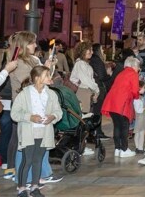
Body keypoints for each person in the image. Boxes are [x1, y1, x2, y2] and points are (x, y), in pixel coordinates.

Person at [11, 65, 63, 197]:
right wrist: (30, 117)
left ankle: (35, 186)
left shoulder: (51, 94)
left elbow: (58, 111)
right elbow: (14, 114)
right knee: (27, 160)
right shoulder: (25, 94)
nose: (49, 78)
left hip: (43, 132)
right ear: (36, 78)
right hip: (29, 132)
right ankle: (22, 188)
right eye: (46, 75)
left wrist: (52, 117)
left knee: (38, 159)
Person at [101, 56, 142, 158]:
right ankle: (124, 149)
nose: (138, 69)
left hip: (112, 103)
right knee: (124, 126)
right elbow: (135, 91)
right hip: (122, 104)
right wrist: (137, 96)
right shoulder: (133, 73)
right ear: (134, 65)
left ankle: (117, 149)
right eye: (138, 66)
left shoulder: (121, 73)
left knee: (117, 126)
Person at [70, 41, 100, 117]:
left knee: (85, 116)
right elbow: (86, 80)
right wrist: (96, 89)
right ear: (84, 50)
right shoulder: (80, 64)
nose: (92, 52)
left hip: (86, 92)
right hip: (84, 93)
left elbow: (75, 79)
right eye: (90, 50)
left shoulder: (84, 63)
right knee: (84, 117)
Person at [88, 43, 110, 140]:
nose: (103, 51)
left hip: (94, 88)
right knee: (97, 111)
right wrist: (108, 74)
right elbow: (102, 76)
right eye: (102, 49)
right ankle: (97, 133)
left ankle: (94, 132)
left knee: (95, 110)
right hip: (98, 88)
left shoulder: (92, 60)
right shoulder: (97, 60)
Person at [132, 81, 145, 155]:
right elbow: (138, 110)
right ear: (139, 88)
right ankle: (140, 148)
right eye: (144, 88)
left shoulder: (140, 97)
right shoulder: (137, 99)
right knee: (141, 133)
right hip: (140, 117)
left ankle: (137, 147)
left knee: (137, 133)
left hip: (140, 117)